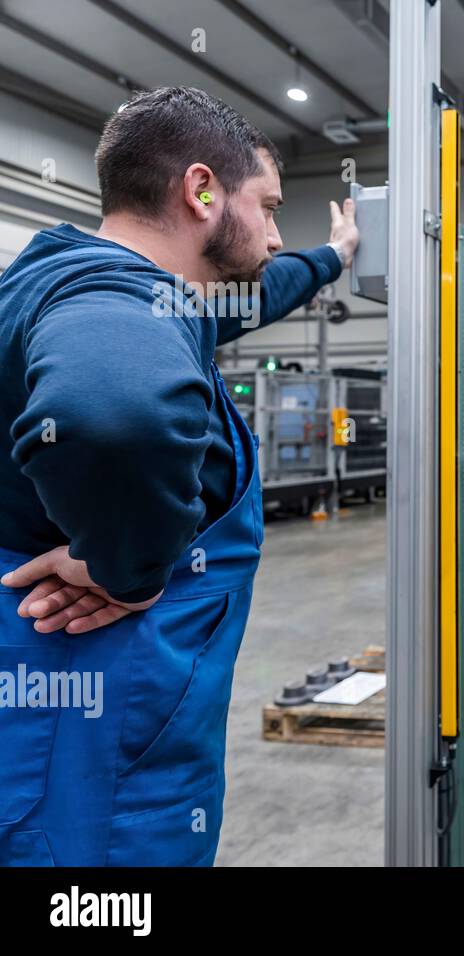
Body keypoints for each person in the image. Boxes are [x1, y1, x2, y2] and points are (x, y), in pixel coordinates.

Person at [0, 86, 359, 865]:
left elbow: (258, 290)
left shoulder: (88, 278)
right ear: (201, 191)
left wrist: (333, 257)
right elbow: (112, 414)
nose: (272, 234)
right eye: (266, 207)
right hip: (90, 737)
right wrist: (128, 568)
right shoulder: (116, 296)